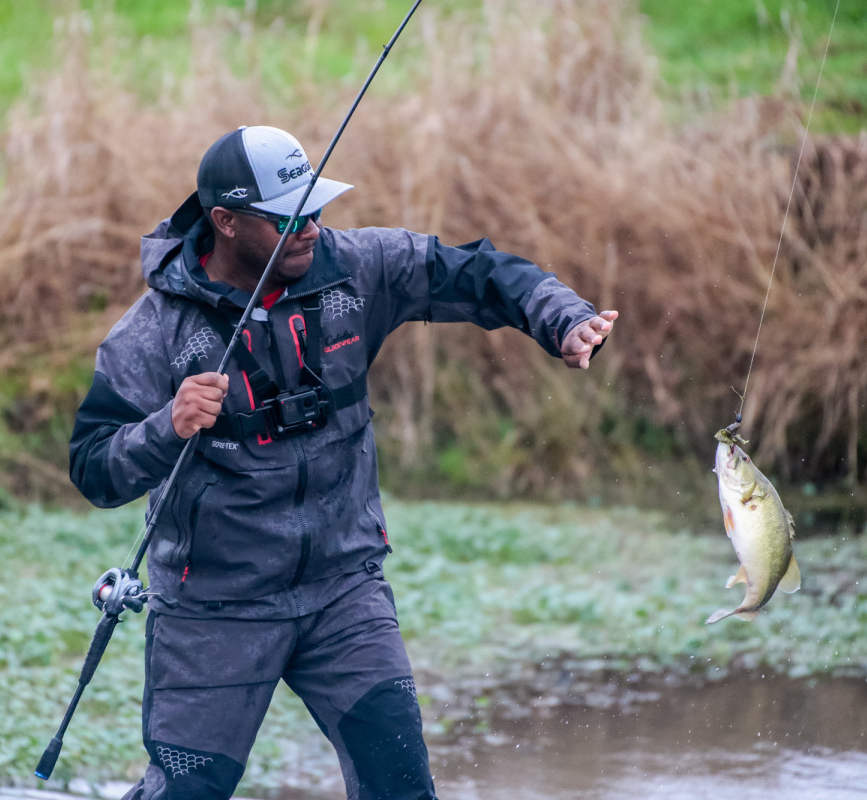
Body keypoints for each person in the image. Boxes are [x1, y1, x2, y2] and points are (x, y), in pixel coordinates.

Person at [69, 125, 618, 800]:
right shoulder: (152, 331)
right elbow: (93, 469)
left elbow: (478, 273)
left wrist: (563, 318)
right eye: (287, 218)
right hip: (214, 607)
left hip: (344, 593)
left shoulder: (359, 267)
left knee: (401, 786)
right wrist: (167, 426)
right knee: (185, 792)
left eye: (317, 208)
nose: (310, 229)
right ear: (226, 222)